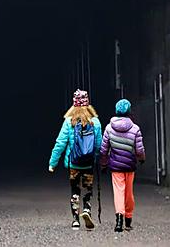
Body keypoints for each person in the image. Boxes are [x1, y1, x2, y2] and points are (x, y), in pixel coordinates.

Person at [48, 89, 103, 230]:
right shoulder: (95, 122)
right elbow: (98, 145)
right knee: (87, 188)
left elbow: (60, 143)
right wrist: (97, 159)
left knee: (75, 190)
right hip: (88, 164)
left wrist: (52, 163)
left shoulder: (68, 122)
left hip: (74, 163)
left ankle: (75, 220)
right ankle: (86, 209)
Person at [100, 98, 145, 232]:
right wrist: (141, 158)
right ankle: (128, 218)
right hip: (130, 165)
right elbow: (140, 149)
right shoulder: (135, 128)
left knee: (119, 192)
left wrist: (103, 164)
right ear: (129, 111)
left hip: (116, 167)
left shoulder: (109, 128)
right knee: (129, 193)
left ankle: (119, 219)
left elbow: (103, 150)